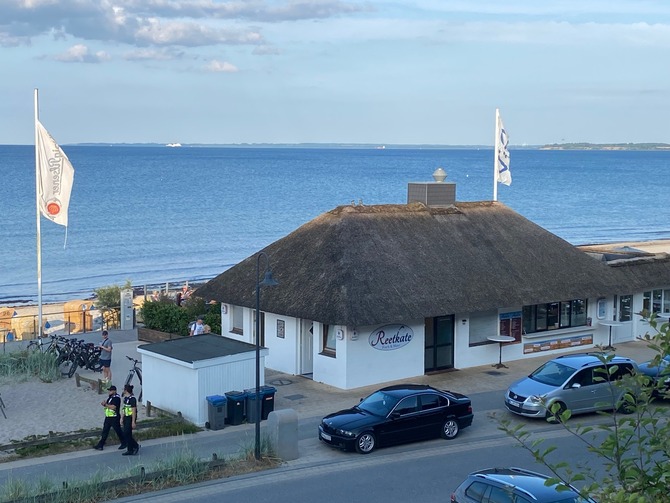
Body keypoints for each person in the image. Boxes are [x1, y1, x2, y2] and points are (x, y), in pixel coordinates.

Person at [93, 385, 125, 451]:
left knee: (118, 431)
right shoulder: (110, 398)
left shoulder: (116, 398)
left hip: (114, 417)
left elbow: (113, 407)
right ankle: (101, 445)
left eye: (110, 390)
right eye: (109, 390)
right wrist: (105, 404)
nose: (109, 392)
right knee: (105, 431)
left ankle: (124, 442)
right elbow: (108, 406)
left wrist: (105, 405)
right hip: (108, 417)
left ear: (114, 391)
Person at [121, 384, 140, 455]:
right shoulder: (126, 399)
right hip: (126, 417)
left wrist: (133, 421)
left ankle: (132, 447)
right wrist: (122, 418)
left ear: (126, 390)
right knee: (126, 434)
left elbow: (134, 410)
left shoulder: (132, 399)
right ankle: (132, 447)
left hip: (130, 418)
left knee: (127, 433)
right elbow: (124, 409)